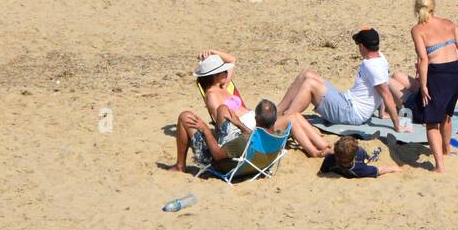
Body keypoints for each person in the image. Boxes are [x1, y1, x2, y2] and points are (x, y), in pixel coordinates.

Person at [172, 51, 329, 171]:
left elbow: (232, 60)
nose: (226, 74)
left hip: (250, 119)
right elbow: (222, 124)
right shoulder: (212, 96)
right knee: (291, 117)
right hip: (244, 126)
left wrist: (211, 52)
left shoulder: (223, 86)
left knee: (293, 116)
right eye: (222, 71)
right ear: (214, 76)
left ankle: (323, 145)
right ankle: (316, 150)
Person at [398, 0, 458, 174]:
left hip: (437, 75)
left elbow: (423, 60)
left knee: (432, 122)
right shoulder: (449, 24)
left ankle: (439, 165)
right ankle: (446, 149)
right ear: (434, 7)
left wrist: (423, 85)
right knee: (447, 115)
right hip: (455, 72)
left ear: (416, 9)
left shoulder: (417, 30)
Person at [276, 28, 402, 132]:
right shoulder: (381, 57)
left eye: (358, 45)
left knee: (310, 85)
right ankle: (278, 111)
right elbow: (383, 86)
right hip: (347, 100)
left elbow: (386, 94)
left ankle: (284, 122)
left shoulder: (372, 66)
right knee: (306, 74)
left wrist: (397, 125)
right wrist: (382, 113)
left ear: (362, 46)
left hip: (352, 113)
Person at [181, 99, 286, 176]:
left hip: (222, 164)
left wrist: (206, 129)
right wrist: (239, 124)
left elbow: (217, 155)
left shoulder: (243, 141)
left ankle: (179, 166)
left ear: (256, 119)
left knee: (185, 116)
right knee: (223, 109)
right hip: (256, 166)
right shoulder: (278, 136)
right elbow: (256, 137)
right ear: (275, 118)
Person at [320, 135, 398, 178]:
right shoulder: (360, 169)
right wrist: (394, 168)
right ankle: (371, 154)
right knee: (367, 156)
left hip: (343, 160)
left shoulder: (329, 159)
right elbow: (380, 170)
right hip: (362, 160)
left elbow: (323, 171)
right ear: (354, 157)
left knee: (353, 150)